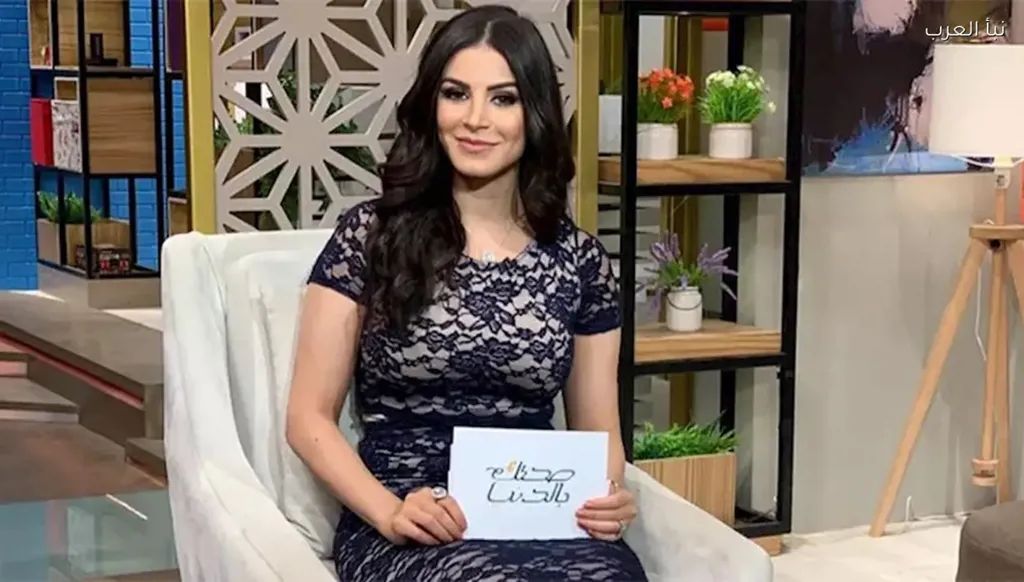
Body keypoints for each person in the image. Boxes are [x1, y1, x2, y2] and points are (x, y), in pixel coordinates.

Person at [286, 5, 648, 581]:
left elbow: (598, 431)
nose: (476, 119)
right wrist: (389, 512)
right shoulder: (369, 236)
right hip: (408, 511)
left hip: (538, 510)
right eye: (456, 94)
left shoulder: (580, 261)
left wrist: (608, 494)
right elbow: (307, 418)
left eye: (503, 99)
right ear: (432, 106)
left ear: (534, 114)